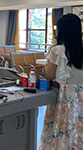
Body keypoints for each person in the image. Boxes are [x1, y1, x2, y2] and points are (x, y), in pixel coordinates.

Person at [40, 13, 83, 150]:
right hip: (81, 95)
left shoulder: (57, 50)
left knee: (62, 131)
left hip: (64, 96)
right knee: (78, 130)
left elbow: (49, 74)